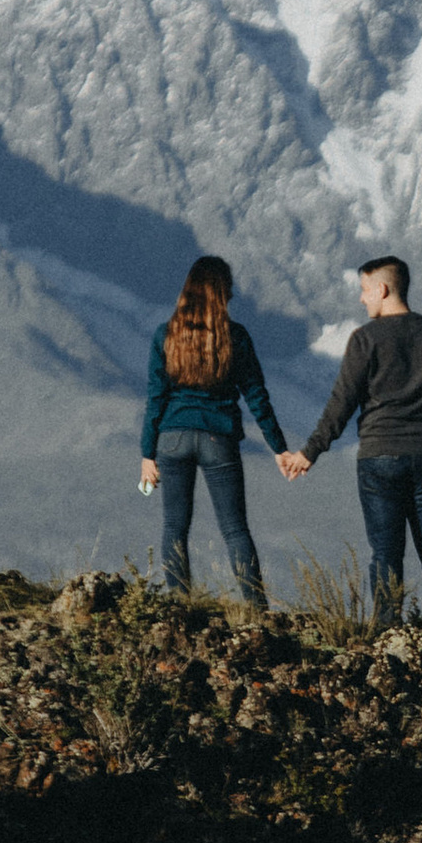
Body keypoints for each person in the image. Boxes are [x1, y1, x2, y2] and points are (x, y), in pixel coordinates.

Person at [280, 253, 422, 630]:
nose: (362, 299)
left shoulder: (365, 339)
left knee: (385, 553)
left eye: (365, 290)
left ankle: (386, 634)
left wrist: (309, 452)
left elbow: (342, 403)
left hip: (380, 458)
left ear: (381, 289)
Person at [139, 254, 289, 607]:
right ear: (223, 293)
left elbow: (155, 398)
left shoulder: (167, 334)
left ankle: (180, 605)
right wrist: (279, 447)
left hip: (172, 438)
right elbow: (256, 396)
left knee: (175, 528)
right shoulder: (234, 337)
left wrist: (147, 453)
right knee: (235, 529)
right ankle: (256, 608)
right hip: (217, 438)